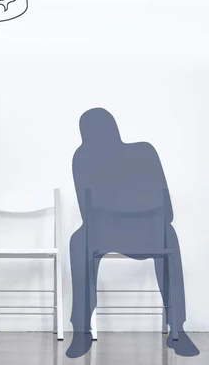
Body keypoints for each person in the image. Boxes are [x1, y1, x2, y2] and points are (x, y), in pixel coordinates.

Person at [66, 108, 199, 358]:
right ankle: (82, 329)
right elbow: (167, 211)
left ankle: (177, 329)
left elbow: (88, 212)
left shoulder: (89, 157)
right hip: (123, 231)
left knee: (80, 240)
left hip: (123, 231)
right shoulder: (93, 157)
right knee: (165, 233)